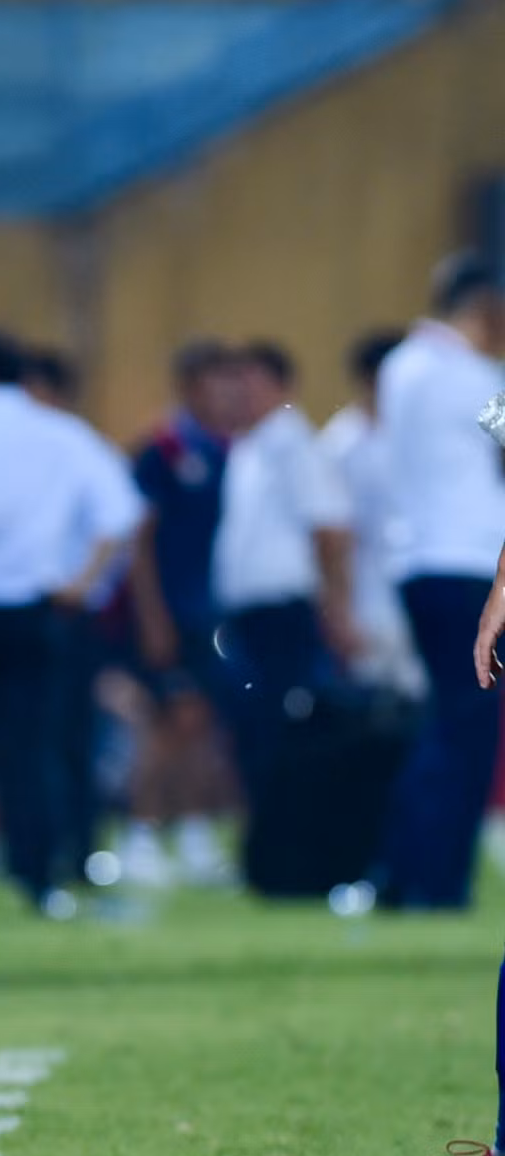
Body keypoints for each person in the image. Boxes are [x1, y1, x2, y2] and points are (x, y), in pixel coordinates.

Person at [0, 329, 140, 915]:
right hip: (38, 610)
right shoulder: (62, 434)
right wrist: (81, 582)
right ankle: (37, 876)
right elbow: (120, 514)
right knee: (33, 750)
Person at [375, 253, 505, 914]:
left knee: (444, 722)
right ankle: (438, 880)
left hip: (416, 562)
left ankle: (401, 870)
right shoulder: (472, 377)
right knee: (469, 727)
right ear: (483, 309)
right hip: (470, 565)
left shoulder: (401, 367)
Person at [210, 341, 356, 823]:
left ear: (281, 387)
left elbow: (330, 530)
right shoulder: (248, 445)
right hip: (250, 614)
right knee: (252, 725)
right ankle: (267, 833)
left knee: (281, 724)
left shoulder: (292, 443)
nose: (240, 396)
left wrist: (336, 608)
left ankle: (288, 830)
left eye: (251, 384)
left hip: (284, 611)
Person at [22, 346, 147, 884]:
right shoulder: (74, 443)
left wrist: (81, 583)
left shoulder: (69, 442)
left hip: (58, 610)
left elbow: (123, 521)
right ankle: (59, 856)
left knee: (58, 741)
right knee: (60, 742)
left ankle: (66, 855)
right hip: (61, 610)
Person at [121, 341, 241, 885]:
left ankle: (192, 832)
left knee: (201, 725)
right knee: (167, 723)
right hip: (172, 611)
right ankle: (141, 832)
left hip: (215, 613)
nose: (226, 395)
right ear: (191, 387)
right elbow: (139, 542)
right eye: (215, 384)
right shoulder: (163, 450)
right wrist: (152, 617)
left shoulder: (228, 450)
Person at [320, 331, 423, 699]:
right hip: (367, 596)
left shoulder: (419, 431)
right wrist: (338, 610)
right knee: (375, 703)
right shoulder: (339, 443)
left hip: (420, 585)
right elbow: (331, 535)